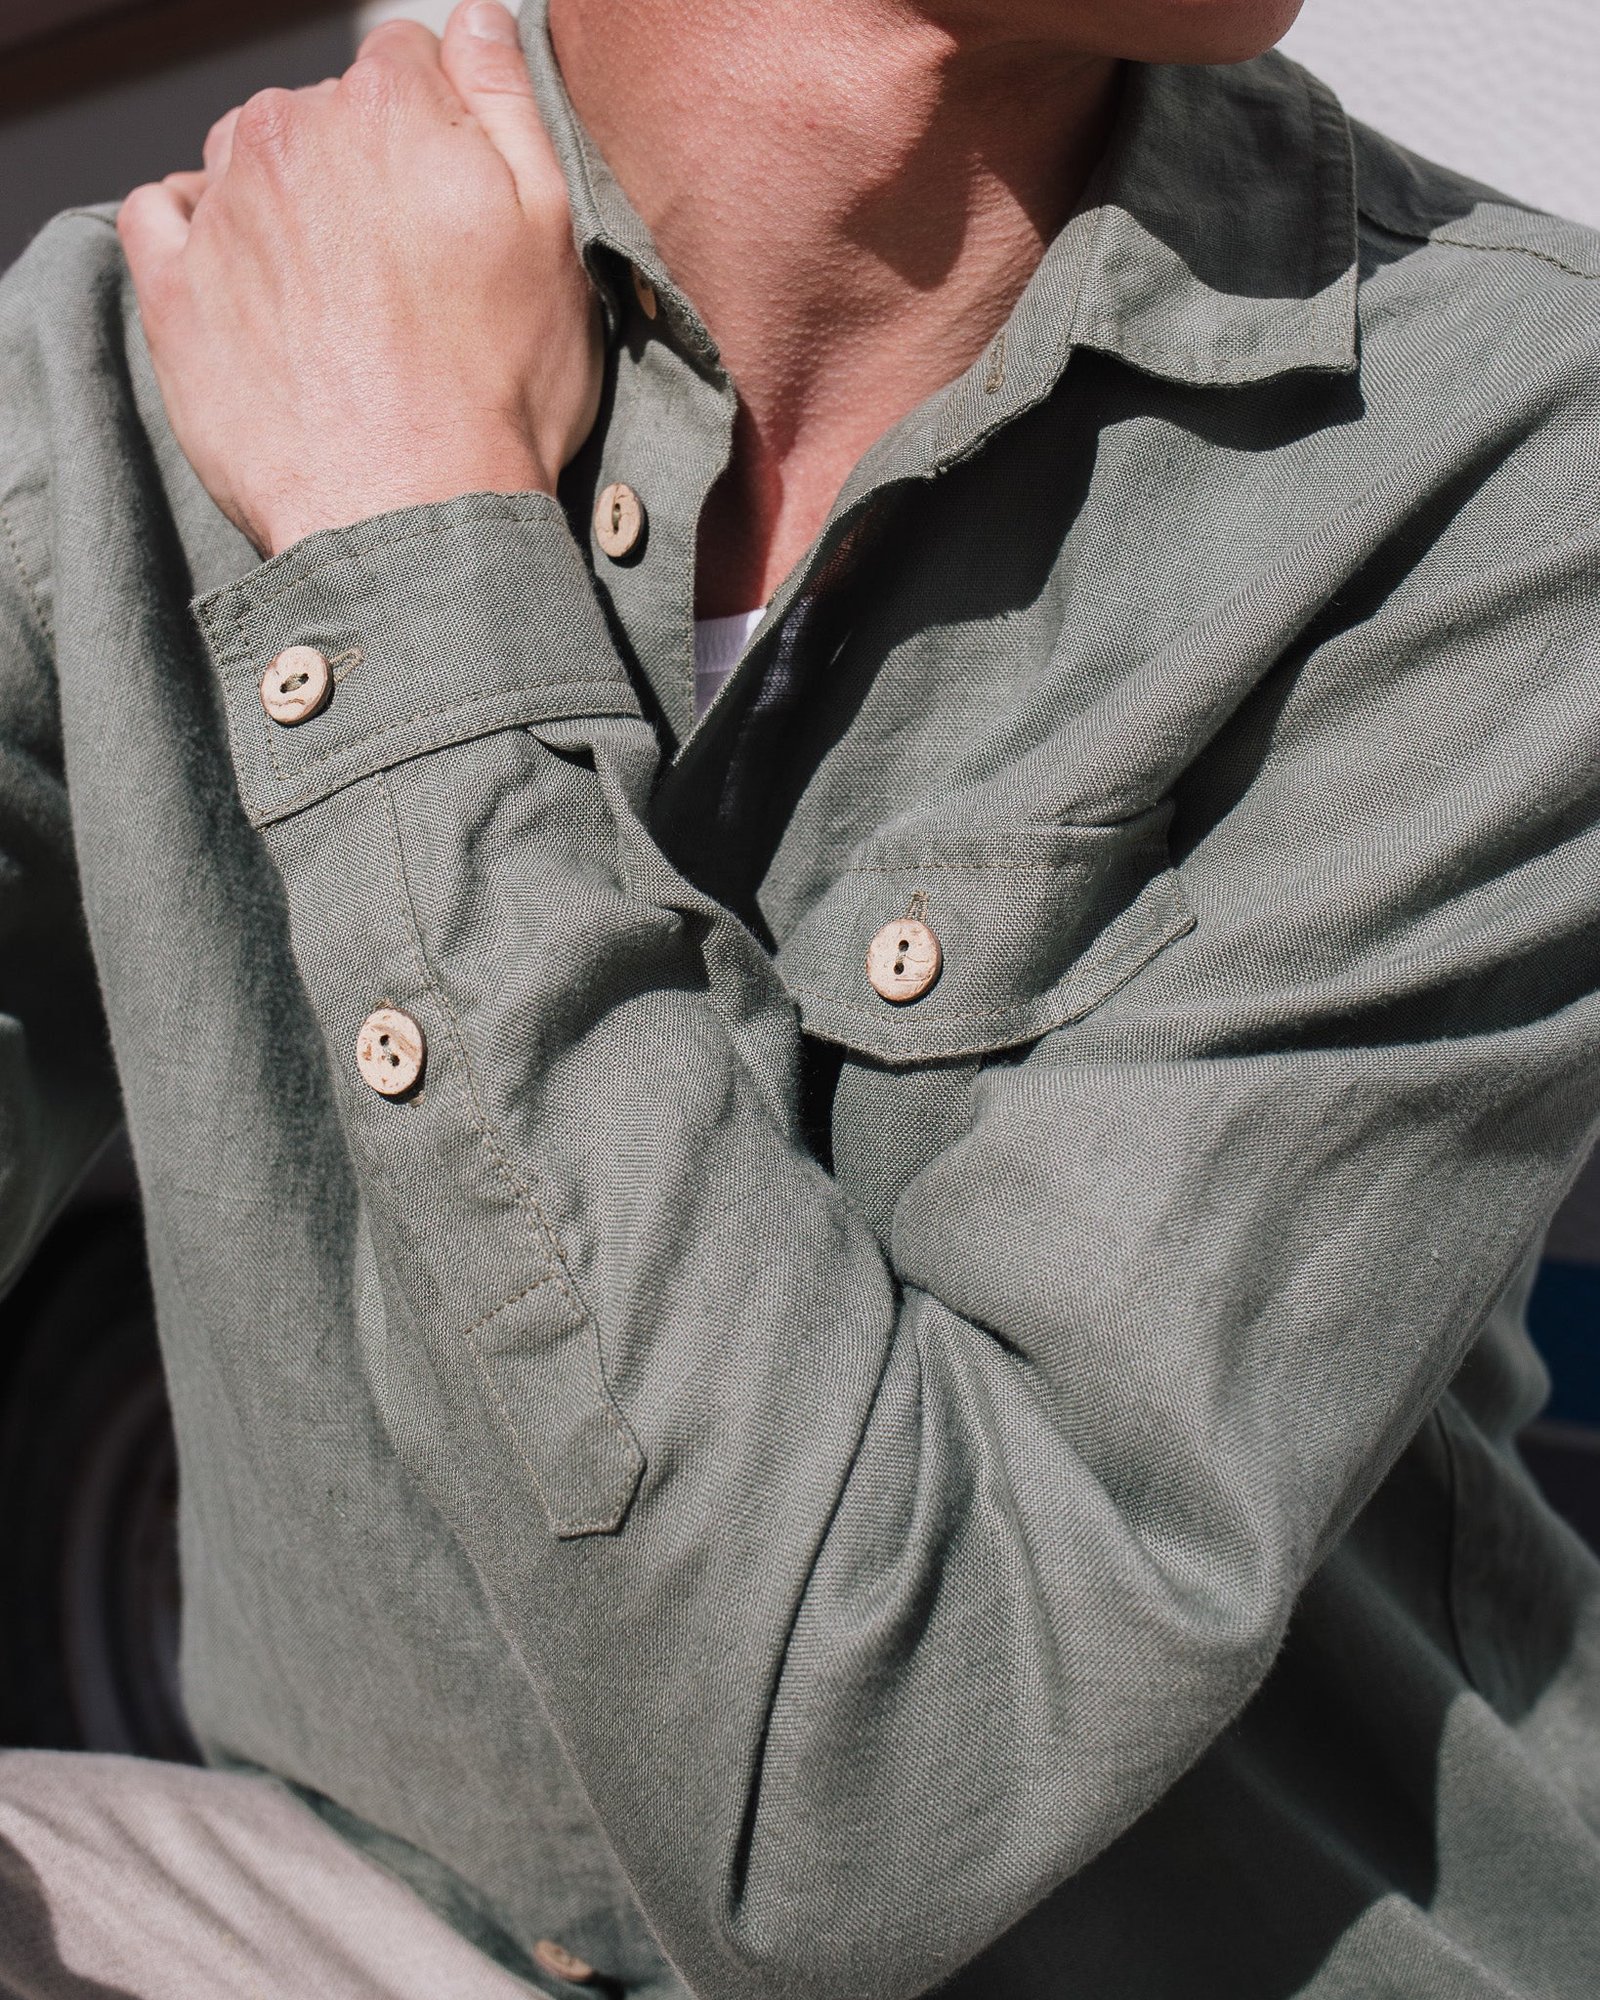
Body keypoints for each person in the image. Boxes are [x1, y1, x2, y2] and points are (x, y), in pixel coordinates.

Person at [0, 0, 1597, 1992]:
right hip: (408, 1933)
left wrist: (393, 545)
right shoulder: (146, 348)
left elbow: (878, 1793)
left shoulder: (1496, 445)